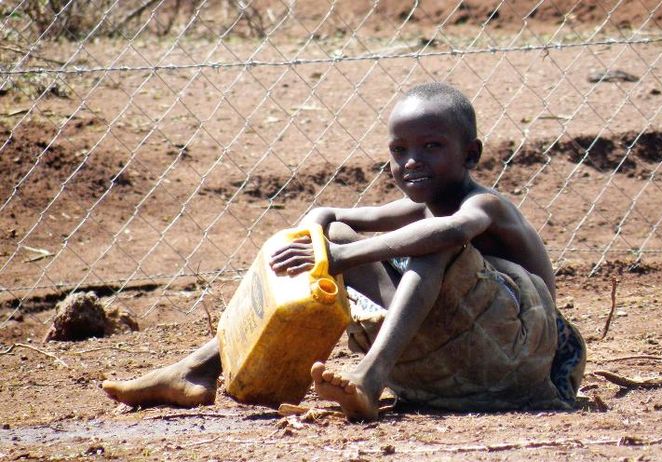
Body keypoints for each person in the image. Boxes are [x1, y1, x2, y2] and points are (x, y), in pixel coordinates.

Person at [102, 82, 586, 421]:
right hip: (455, 364)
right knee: (342, 242)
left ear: (471, 154)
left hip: (522, 352)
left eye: (432, 146)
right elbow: (329, 213)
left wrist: (335, 258)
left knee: (432, 242)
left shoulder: (484, 205)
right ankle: (201, 368)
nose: (412, 161)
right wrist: (315, 243)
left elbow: (448, 234)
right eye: (399, 150)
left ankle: (369, 379)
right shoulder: (418, 206)